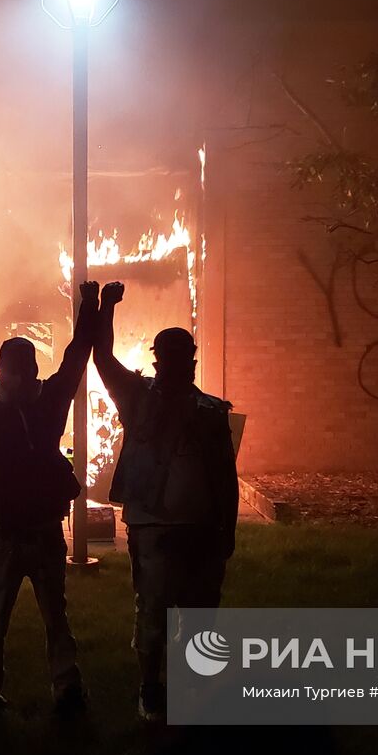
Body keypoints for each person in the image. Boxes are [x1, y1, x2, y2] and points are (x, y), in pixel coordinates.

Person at [93, 280, 238, 722]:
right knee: (155, 610)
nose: (179, 366)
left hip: (197, 530)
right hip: (155, 527)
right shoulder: (139, 399)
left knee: (196, 617)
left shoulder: (211, 412)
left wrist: (225, 531)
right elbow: (103, 358)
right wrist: (105, 308)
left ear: (191, 361)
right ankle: (153, 689)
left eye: (184, 359)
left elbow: (225, 478)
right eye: (172, 359)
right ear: (160, 361)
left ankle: (185, 691)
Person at [0, 280, 100, 722]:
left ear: (27, 375)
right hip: (5, 534)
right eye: (5, 370)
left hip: (41, 534)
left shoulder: (43, 406)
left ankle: (66, 686)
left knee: (54, 615)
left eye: (14, 371)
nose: (8, 378)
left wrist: (90, 307)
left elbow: (77, 355)